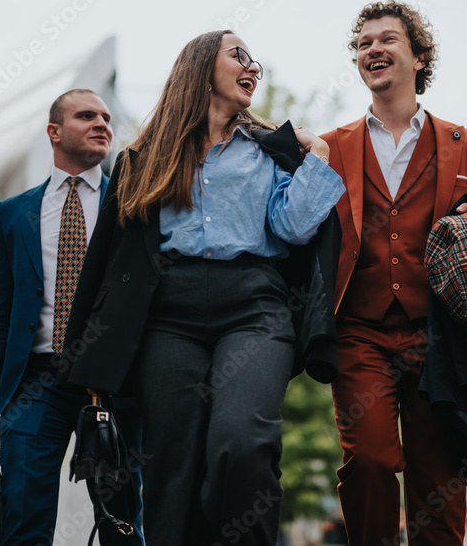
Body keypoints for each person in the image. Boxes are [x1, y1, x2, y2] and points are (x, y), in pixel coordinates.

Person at [54, 30, 345, 546]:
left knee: (243, 442)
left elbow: (296, 228)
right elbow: (106, 262)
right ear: (199, 69)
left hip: (255, 307)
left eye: (255, 59)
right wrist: (87, 354)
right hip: (168, 316)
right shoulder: (142, 159)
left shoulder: (269, 152)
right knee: (173, 460)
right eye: (239, 56)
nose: (252, 66)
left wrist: (317, 153)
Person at [320, 0, 467, 546]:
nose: (373, 49)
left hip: (437, 334)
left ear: (419, 57)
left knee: (438, 473)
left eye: (387, 39)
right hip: (358, 328)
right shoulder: (330, 148)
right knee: (369, 457)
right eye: (364, 43)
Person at [0, 89, 144, 545]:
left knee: (121, 517)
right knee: (23, 515)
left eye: (106, 117)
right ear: (54, 131)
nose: (102, 124)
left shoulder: (132, 203)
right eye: (86, 116)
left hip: (112, 381)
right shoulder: (14, 213)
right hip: (35, 382)